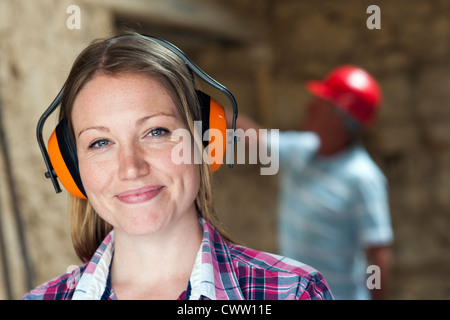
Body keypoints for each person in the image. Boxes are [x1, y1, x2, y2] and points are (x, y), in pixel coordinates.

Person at [23, 33, 332, 300]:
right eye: (100, 142)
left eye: (156, 132)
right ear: (70, 166)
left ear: (206, 140)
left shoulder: (293, 292)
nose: (131, 168)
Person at [233, 65, 394, 300]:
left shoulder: (362, 177)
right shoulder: (301, 150)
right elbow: (255, 137)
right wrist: (212, 113)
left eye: (320, 102)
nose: (309, 108)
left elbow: (378, 254)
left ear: (337, 118)